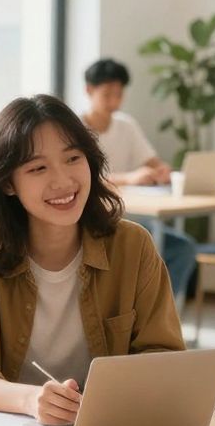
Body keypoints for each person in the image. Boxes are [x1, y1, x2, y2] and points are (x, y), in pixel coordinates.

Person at [0, 94, 184, 423]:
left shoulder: (133, 247)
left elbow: (163, 355)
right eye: (38, 168)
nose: (63, 181)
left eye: (73, 158)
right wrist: (29, 400)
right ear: (7, 183)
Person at [80, 57, 197, 296]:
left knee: (182, 247)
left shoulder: (126, 125)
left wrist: (161, 171)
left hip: (132, 217)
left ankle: (161, 311)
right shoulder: (75, 128)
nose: (114, 101)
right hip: (94, 219)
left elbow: (154, 162)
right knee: (142, 246)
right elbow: (82, 180)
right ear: (89, 90)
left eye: (119, 94)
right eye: (107, 94)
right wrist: (130, 178)